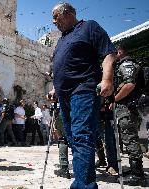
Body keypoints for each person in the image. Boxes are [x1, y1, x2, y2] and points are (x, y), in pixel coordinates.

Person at [50, 3, 116, 188]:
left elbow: (109, 53)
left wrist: (107, 79)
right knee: (72, 138)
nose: (53, 21)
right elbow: (63, 66)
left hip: (84, 89)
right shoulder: (62, 38)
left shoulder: (89, 27)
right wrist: (55, 88)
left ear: (68, 13)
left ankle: (84, 185)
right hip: (64, 95)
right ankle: (81, 181)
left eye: (56, 17)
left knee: (81, 137)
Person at [113, 43, 146, 186]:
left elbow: (129, 85)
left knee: (130, 138)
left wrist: (114, 99)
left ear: (120, 52)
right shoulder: (125, 64)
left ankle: (138, 175)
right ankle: (134, 170)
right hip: (126, 108)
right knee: (128, 138)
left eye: (115, 53)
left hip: (128, 108)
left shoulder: (126, 64)